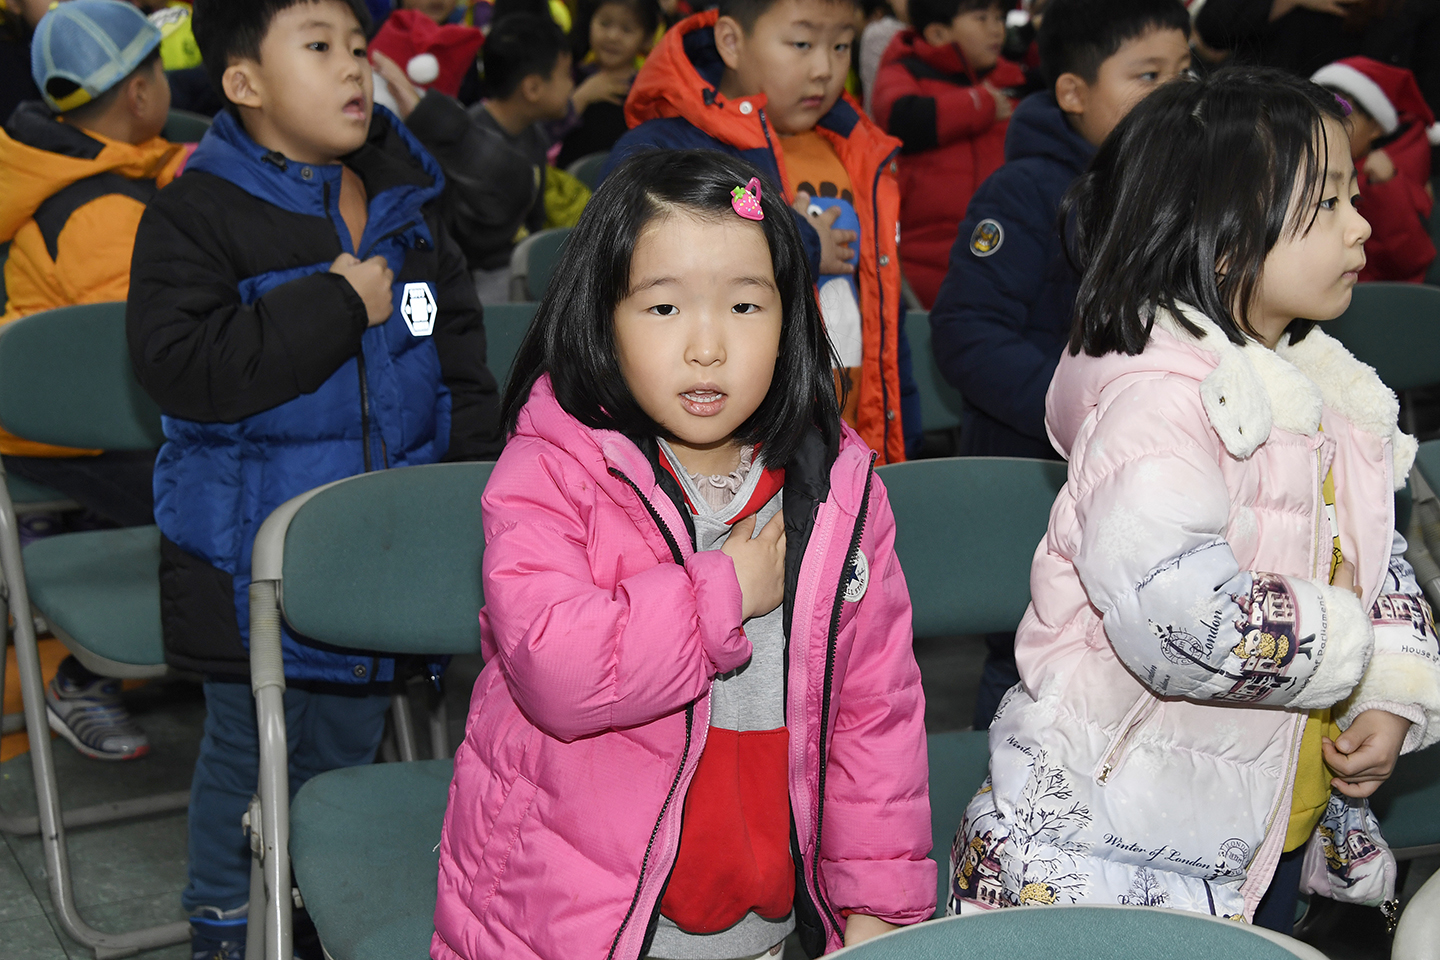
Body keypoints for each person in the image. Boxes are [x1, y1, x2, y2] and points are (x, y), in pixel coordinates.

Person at [949, 68, 1440, 932]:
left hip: (1263, 830)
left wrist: (1392, 695)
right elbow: (1179, 623)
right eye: (1325, 205)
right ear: (1220, 240)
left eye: (1353, 198)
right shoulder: (1161, 405)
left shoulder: (1324, 396)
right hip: (1109, 842)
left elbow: (1378, 556)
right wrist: (1352, 648)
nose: (1361, 227)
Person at [431, 149, 934, 960]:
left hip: (768, 919)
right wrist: (721, 594)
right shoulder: (556, 470)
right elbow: (556, 670)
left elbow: (875, 713)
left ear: (790, 320)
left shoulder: (836, 490)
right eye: (663, 310)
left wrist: (878, 902)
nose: (707, 347)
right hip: (583, 920)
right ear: (602, 317)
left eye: (745, 306)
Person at [127, 0, 503, 955]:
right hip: (252, 554)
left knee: (344, 745)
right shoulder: (195, 211)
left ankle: (305, 899)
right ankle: (221, 915)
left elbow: (455, 346)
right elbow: (184, 367)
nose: (353, 69)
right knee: (250, 753)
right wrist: (336, 302)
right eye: (320, 48)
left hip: (381, 547)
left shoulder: (406, 198)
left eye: (357, 48)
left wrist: (465, 485)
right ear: (245, 84)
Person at [928, 0, 1190, 730]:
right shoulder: (1026, 193)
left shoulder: (1187, 198)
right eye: (1147, 75)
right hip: (1038, 486)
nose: (1173, 93)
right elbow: (968, 332)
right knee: (1027, 669)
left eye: (1182, 71)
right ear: (1074, 93)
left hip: (1150, 490)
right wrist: (1094, 408)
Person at [606, 0, 921, 464]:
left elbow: (884, 322)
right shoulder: (667, 147)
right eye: (801, 43)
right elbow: (625, 266)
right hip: (722, 451)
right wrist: (804, 242)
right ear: (732, 42)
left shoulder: (856, 150)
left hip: (852, 436)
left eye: (840, 46)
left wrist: (899, 439)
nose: (824, 69)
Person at [1, 0, 189, 762]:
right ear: (141, 93)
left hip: (86, 425)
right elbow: (151, 365)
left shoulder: (90, 163)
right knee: (221, 495)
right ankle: (82, 676)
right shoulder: (102, 215)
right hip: (72, 436)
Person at [384, 12, 573, 305]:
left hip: (516, 263)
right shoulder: (468, 140)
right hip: (478, 277)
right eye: (567, 75)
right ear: (533, 88)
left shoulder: (534, 136)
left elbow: (534, 220)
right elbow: (464, 236)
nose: (572, 86)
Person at [870, 0, 1025, 309]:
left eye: (999, 17)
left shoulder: (1011, 81)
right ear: (939, 33)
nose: (996, 28)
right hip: (924, 265)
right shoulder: (905, 70)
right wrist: (980, 104)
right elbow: (902, 118)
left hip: (1002, 262)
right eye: (981, 18)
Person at [1313, 56, 1437, 283]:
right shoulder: (1305, 165)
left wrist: (1387, 187)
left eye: (1342, 115)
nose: (1328, 124)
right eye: (1319, 113)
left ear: (1375, 128)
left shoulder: (1386, 176)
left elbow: (1410, 259)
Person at [555, 0, 661, 169]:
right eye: (604, 24)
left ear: (647, 38)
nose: (612, 36)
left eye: (627, 29)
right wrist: (581, 97)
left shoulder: (648, 92)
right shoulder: (567, 77)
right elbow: (544, 134)